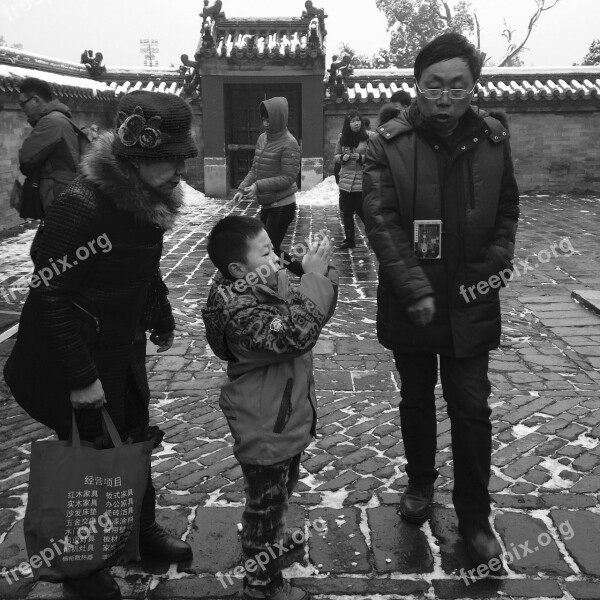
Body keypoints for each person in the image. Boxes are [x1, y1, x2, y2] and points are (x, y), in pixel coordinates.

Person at [4, 90, 198, 600]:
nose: (181, 169)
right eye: (172, 158)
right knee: (87, 458)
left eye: (183, 157)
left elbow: (140, 268)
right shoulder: (82, 206)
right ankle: (81, 569)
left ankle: (142, 531)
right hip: (76, 355)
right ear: (137, 157)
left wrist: (160, 313)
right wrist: (80, 377)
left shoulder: (146, 198)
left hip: (120, 347)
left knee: (131, 437)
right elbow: (49, 294)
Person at [363, 33, 520, 570]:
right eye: (435, 85)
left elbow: (507, 211)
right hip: (414, 302)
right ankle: (421, 481)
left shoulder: (494, 140)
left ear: (473, 87)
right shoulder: (388, 143)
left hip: (473, 298)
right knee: (415, 397)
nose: (446, 97)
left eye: (458, 86)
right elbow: (380, 222)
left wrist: (494, 265)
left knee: (472, 407)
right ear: (417, 86)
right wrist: (414, 286)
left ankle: (475, 519)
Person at [202, 216, 338, 600]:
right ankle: (261, 583)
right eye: (266, 253)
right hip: (264, 426)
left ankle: (271, 537)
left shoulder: (263, 280)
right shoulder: (241, 313)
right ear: (237, 270)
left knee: (280, 491)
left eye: (272, 247)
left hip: (285, 416)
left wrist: (318, 271)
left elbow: (312, 314)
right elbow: (298, 334)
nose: (277, 259)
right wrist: (313, 279)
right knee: (264, 505)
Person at [233, 97, 304, 277]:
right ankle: (291, 275)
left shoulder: (290, 143)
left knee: (270, 250)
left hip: (283, 206)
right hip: (267, 203)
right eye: (263, 119)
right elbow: (255, 169)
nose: (265, 123)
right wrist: (242, 188)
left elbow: (288, 178)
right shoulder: (262, 139)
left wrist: (258, 186)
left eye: (269, 119)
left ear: (278, 118)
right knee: (268, 247)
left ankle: (297, 274)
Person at [18, 77, 82, 215]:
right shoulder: (59, 118)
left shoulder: (51, 122)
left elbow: (26, 159)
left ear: (36, 100)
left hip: (61, 201)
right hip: (66, 197)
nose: (22, 109)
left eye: (23, 104)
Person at [334, 109, 369, 250]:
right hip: (345, 182)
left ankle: (374, 236)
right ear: (348, 124)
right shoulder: (342, 138)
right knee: (347, 212)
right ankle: (349, 240)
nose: (356, 123)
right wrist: (342, 158)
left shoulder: (367, 138)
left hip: (361, 181)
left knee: (364, 212)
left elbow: (374, 157)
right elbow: (335, 155)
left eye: (358, 120)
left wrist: (361, 158)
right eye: (353, 121)